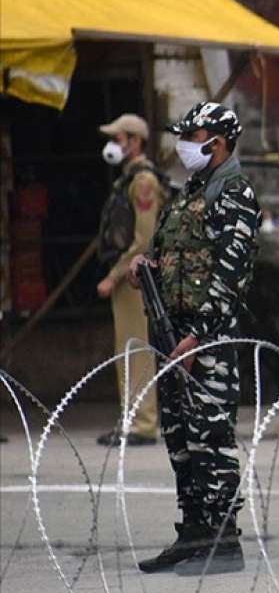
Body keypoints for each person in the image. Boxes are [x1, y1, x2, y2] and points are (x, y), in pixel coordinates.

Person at [128, 102, 262, 575]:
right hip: (171, 332)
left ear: (218, 142)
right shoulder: (190, 193)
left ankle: (224, 540)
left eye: (193, 134)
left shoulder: (235, 194)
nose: (184, 143)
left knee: (211, 439)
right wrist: (145, 266)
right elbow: (170, 252)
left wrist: (197, 337)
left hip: (208, 338)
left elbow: (229, 277)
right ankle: (194, 532)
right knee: (180, 438)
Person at [95, 113, 165, 447]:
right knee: (126, 348)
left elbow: (143, 240)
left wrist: (115, 275)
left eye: (119, 138)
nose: (113, 145)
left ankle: (143, 422)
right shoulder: (128, 178)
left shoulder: (143, 181)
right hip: (128, 275)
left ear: (135, 141)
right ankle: (132, 419)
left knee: (136, 348)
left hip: (136, 277)